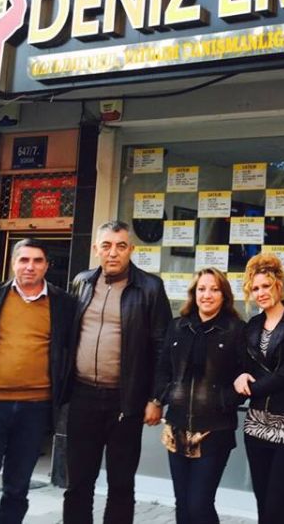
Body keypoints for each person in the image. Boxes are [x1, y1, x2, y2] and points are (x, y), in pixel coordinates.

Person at [0, 238, 76, 524]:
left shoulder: (63, 303)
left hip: (35, 409)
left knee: (17, 489)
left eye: (37, 261)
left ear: (47, 265)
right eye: (23, 260)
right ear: (13, 264)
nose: (30, 266)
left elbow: (71, 349)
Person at [64, 220, 171, 523]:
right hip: (83, 396)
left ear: (131, 250)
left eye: (121, 246)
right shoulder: (82, 282)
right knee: (78, 483)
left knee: (121, 485)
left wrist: (156, 398)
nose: (113, 252)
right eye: (107, 246)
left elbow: (163, 348)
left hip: (126, 401)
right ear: (95, 248)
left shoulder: (150, 287)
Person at [153, 268, 245, 524]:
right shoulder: (178, 326)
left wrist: (224, 400)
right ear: (194, 294)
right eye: (202, 289)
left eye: (215, 289)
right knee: (182, 505)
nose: (207, 295)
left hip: (214, 430)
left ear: (224, 295)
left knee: (199, 505)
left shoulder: (236, 330)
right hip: (177, 427)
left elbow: (245, 376)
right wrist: (164, 395)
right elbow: (162, 369)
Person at [233, 253, 284, 524]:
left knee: (278, 510)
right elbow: (242, 366)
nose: (261, 293)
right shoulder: (252, 326)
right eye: (255, 288)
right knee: (264, 510)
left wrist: (253, 389)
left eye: (266, 285)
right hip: (256, 426)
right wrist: (240, 377)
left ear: (278, 284)